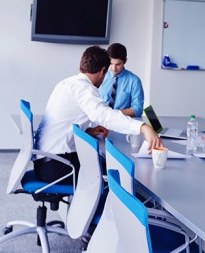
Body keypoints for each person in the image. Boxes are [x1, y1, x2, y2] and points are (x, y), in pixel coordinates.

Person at [34, 46, 162, 184]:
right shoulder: (85, 89)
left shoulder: (66, 83)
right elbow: (104, 116)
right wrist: (143, 127)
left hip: (45, 160)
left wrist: (88, 131)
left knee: (104, 163)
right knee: (118, 172)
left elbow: (65, 124)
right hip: (56, 166)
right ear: (103, 71)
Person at [98, 43, 144, 117]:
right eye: (111, 64)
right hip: (100, 120)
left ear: (125, 61)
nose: (114, 68)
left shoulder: (134, 81)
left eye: (118, 64)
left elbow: (138, 109)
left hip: (122, 121)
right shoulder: (100, 76)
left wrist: (114, 114)